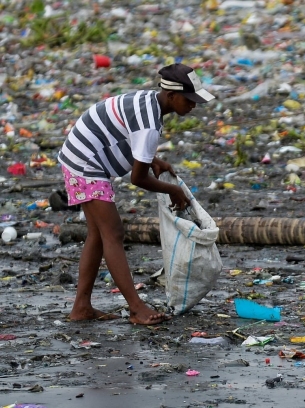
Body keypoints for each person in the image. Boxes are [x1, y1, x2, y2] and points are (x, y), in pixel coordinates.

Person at [58, 63, 215, 324]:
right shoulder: (150, 124)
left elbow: (126, 133)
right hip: (84, 164)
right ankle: (136, 308)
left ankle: (81, 307)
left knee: (98, 234)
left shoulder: (149, 101)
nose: (193, 105)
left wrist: (151, 158)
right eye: (190, 99)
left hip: (81, 154)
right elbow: (138, 178)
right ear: (172, 96)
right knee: (113, 232)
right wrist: (173, 190)